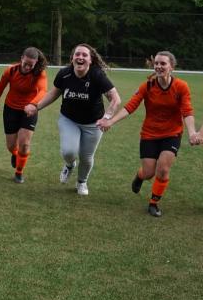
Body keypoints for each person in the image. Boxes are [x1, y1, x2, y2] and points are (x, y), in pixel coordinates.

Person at [97, 52, 197, 217]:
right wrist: (110, 121)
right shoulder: (148, 86)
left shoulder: (181, 87)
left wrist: (192, 132)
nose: (158, 66)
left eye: (163, 64)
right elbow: (130, 106)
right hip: (149, 134)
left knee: (163, 169)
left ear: (171, 66)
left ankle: (153, 203)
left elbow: (187, 111)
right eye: (156, 63)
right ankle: (139, 176)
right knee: (149, 172)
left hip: (172, 134)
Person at [25, 43, 121, 196]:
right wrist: (36, 106)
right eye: (77, 54)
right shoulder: (64, 74)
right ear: (72, 58)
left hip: (93, 123)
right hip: (69, 119)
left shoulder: (97, 75)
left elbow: (115, 99)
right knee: (69, 151)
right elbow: (53, 94)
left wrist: (107, 118)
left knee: (86, 157)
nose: (80, 57)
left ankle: (82, 182)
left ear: (90, 60)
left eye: (84, 55)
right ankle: (69, 165)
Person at [0, 47, 48, 183]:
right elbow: (1, 87)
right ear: (21, 58)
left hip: (29, 111)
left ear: (36, 63)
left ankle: (19, 172)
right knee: (11, 146)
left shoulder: (40, 73)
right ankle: (15, 154)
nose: (27, 67)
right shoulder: (11, 70)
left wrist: (33, 104)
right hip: (11, 109)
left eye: (31, 65)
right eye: (25, 63)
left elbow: (43, 91)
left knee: (25, 144)